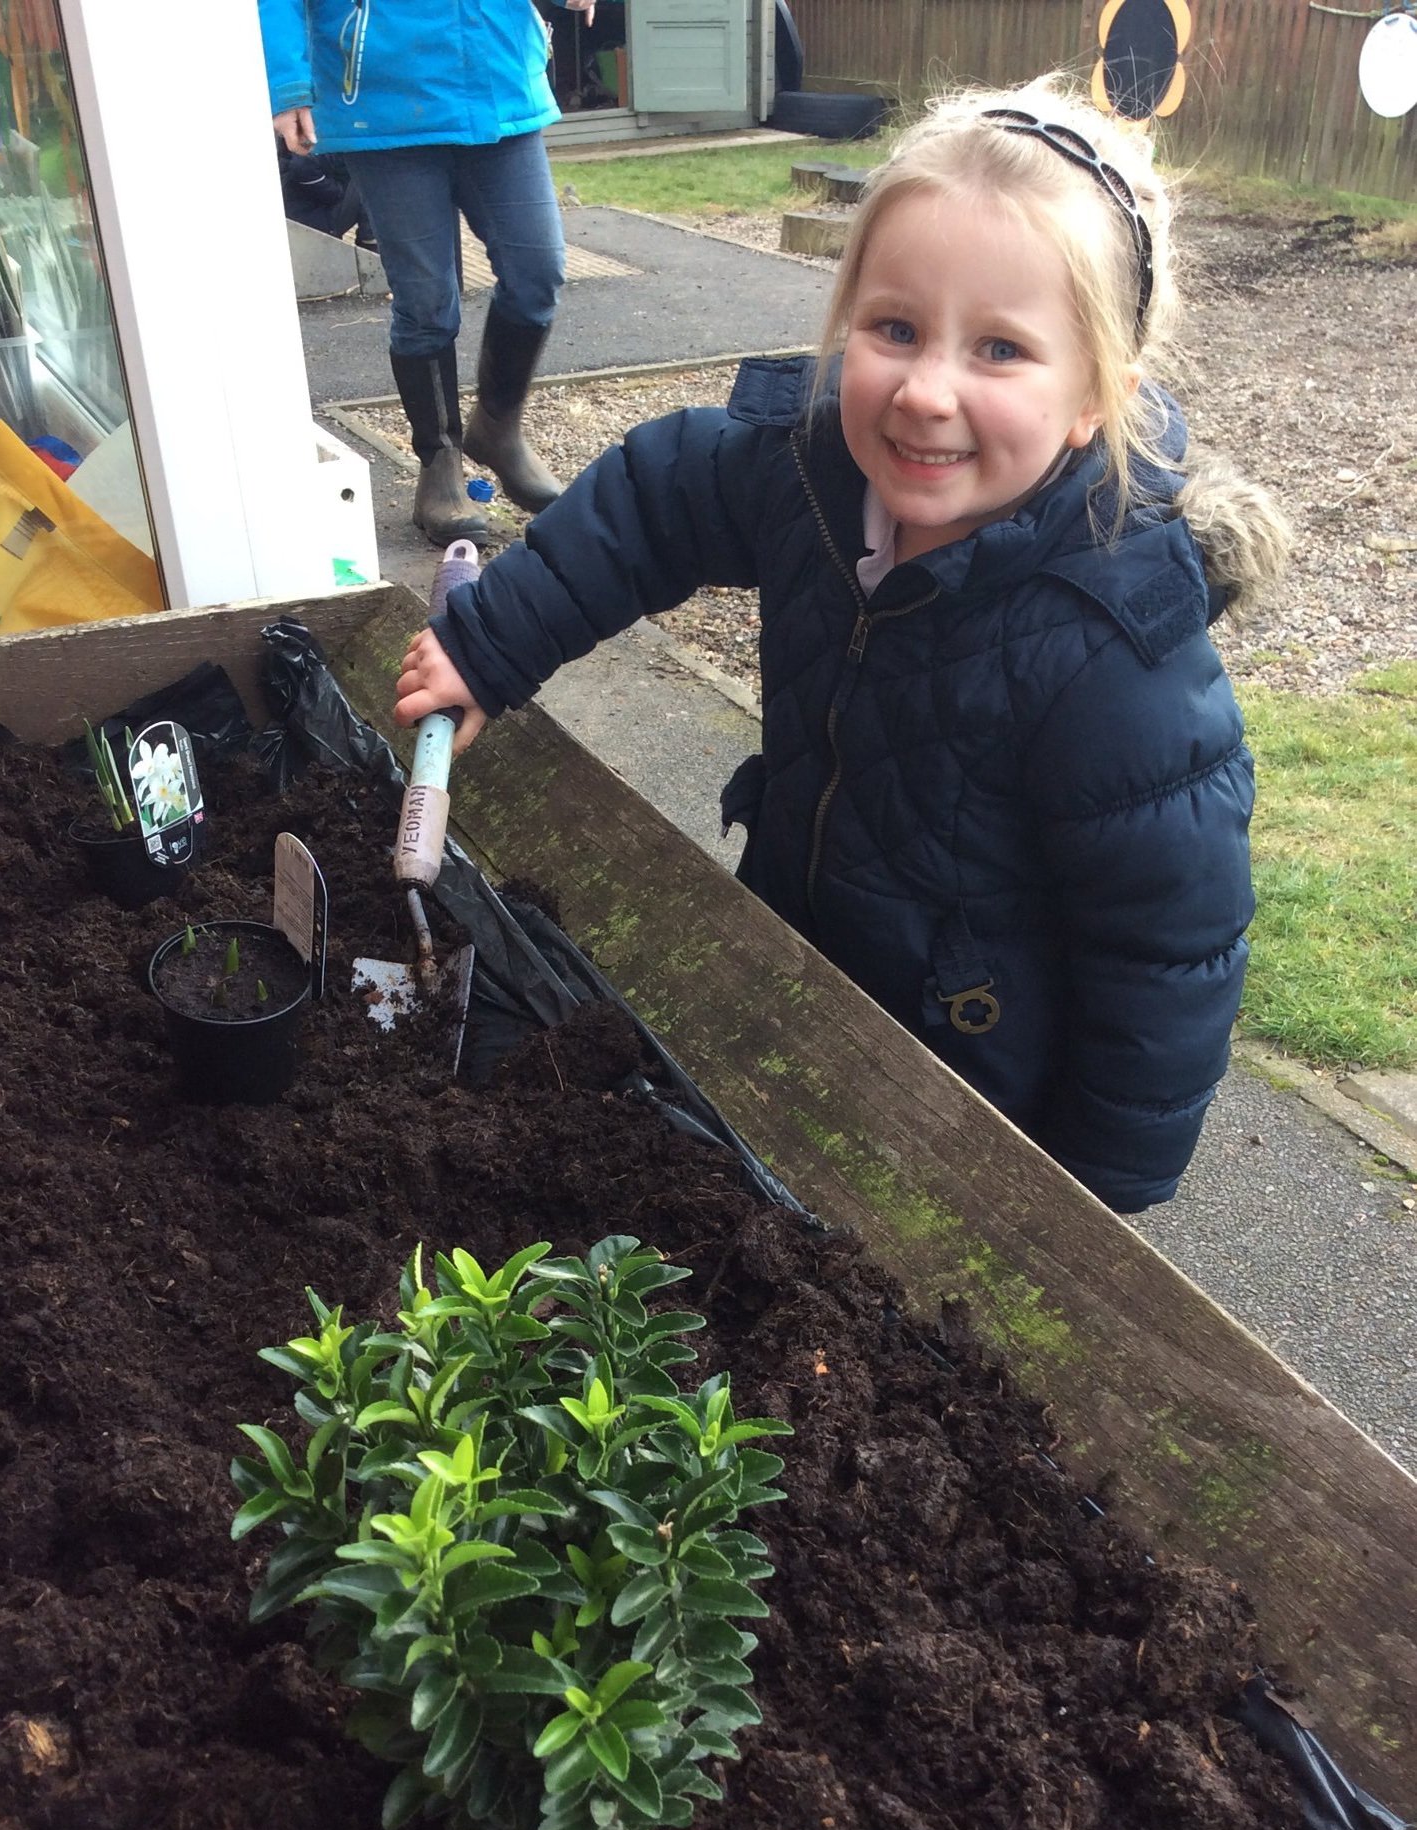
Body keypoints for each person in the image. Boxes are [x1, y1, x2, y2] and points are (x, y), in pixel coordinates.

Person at [394, 76, 1292, 1213]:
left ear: (1094, 399)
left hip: (967, 1094)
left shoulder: (1117, 650)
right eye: (896, 329)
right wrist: (492, 641)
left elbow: (1168, 956)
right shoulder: (810, 472)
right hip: (790, 961)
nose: (924, 391)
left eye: (1001, 349)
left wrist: (1090, 1204)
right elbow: (656, 499)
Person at [258, 0, 597, 545]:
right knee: (427, 302)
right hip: (383, 99)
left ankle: (498, 429)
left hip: (499, 82)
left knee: (538, 273)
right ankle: (439, 462)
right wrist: (289, 84)